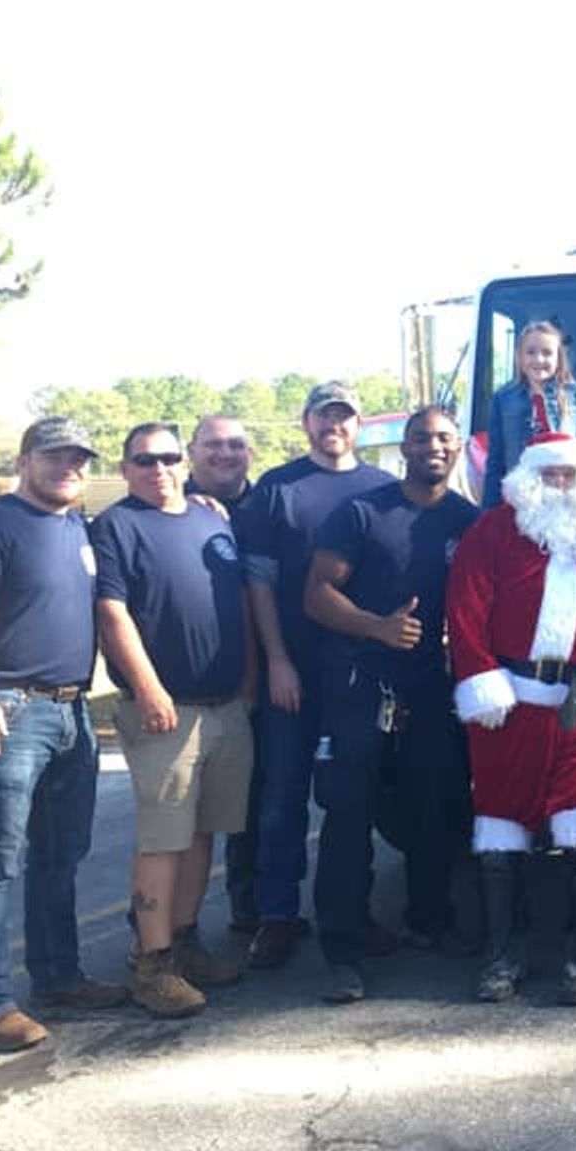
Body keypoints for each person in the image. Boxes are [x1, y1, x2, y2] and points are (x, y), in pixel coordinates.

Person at [0, 417, 130, 1052]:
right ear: (25, 461)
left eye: (78, 458)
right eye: (54, 456)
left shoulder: (80, 526)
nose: (68, 467)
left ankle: (58, 978)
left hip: (73, 712)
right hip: (11, 709)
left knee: (60, 857)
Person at [303, 405, 480, 1002]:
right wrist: (377, 628)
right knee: (349, 811)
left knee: (434, 801)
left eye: (445, 439)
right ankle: (342, 946)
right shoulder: (362, 513)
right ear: (402, 449)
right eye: (423, 438)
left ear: (458, 450)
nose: (435, 447)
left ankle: (429, 921)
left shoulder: (466, 521)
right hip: (360, 679)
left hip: (430, 684)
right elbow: (317, 594)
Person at [447, 429, 576, 1004]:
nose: (560, 484)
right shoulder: (493, 531)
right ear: (529, 477)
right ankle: (502, 951)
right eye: (550, 474)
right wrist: (478, 676)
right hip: (510, 701)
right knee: (502, 822)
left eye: (569, 475)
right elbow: (465, 606)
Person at [91, 423, 252, 1019]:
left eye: (166, 457)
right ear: (125, 466)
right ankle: (151, 962)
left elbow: (237, 603)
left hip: (223, 705)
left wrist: (249, 684)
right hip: (165, 709)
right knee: (163, 839)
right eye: (142, 460)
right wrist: (148, 686)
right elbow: (112, 612)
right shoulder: (115, 526)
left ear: (184, 461)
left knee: (203, 832)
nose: (157, 469)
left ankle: (184, 941)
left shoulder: (213, 519)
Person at [234, 382, 393, 968]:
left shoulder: (383, 489)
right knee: (283, 797)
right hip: (293, 673)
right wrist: (276, 659)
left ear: (360, 425)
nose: (335, 427)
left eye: (345, 417)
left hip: (358, 674)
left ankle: (353, 911)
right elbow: (257, 582)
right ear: (306, 423)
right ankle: (277, 915)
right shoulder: (278, 489)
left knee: (354, 800)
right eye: (324, 417)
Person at [183, 413, 265, 937]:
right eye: (213, 445)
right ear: (192, 452)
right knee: (179, 824)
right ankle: (161, 937)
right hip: (191, 690)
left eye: (236, 444)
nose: (225, 454)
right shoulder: (168, 506)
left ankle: (250, 909)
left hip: (259, 678)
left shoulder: (267, 504)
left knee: (251, 807)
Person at [482, 320, 576, 509]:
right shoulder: (503, 399)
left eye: (547, 353)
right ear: (519, 357)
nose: (538, 359)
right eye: (531, 352)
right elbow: (495, 461)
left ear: (559, 358)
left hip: (565, 501)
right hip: (520, 503)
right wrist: (489, 511)